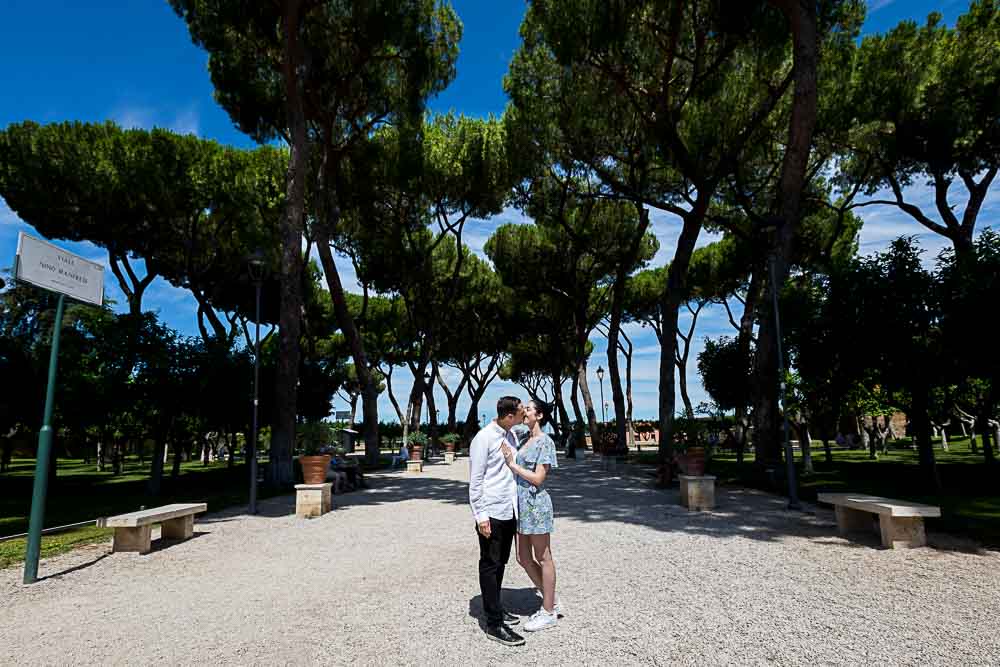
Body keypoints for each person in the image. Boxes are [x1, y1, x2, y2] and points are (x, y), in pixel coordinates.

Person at [469, 396, 525, 646]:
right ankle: (493, 623)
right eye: (522, 411)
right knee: (490, 564)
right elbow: (476, 481)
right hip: (491, 512)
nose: (525, 414)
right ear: (509, 415)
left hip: (508, 509)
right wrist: (481, 516)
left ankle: (496, 607)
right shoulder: (484, 438)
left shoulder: (510, 435)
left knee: (501, 562)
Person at [501, 399, 561, 633]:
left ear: (540, 415)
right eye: (524, 408)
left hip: (536, 505)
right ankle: (551, 598)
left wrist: (512, 466)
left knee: (544, 556)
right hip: (521, 505)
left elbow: (538, 479)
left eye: (528, 408)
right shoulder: (525, 439)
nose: (524, 412)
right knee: (523, 557)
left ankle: (548, 611)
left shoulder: (545, 441)